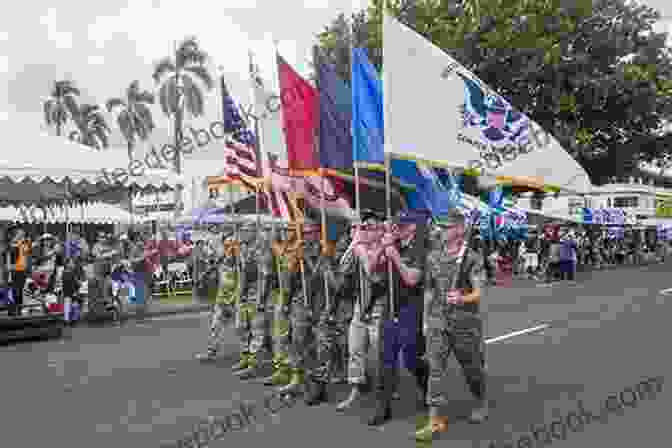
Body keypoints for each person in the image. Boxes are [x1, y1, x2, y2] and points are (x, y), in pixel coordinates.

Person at [415, 209, 487, 442]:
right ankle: (434, 419)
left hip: (465, 321)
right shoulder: (433, 257)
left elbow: (478, 292)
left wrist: (463, 298)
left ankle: (480, 400)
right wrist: (425, 320)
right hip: (438, 320)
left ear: (459, 230)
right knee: (435, 369)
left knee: (472, 368)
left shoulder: (472, 257)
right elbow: (428, 290)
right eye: (440, 227)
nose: (441, 230)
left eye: (446, 227)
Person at [9, 228, 33, 316]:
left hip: (22, 270)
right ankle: (14, 309)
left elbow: (28, 251)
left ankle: (19, 309)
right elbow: (12, 249)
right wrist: (18, 241)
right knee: (15, 290)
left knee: (21, 290)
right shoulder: (13, 243)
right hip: (15, 269)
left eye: (23, 234)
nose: (22, 235)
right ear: (16, 234)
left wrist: (28, 243)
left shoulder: (24, 244)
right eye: (20, 233)